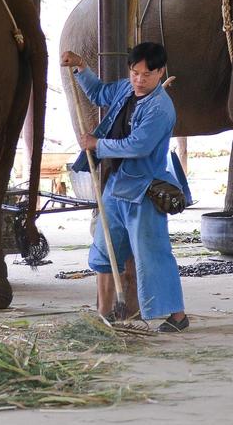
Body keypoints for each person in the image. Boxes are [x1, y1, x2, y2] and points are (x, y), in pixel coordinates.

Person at [62, 43, 190, 333]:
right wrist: (81, 67)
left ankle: (178, 316)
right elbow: (98, 93)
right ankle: (104, 315)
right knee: (104, 252)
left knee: (152, 254)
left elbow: (138, 146)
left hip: (143, 190)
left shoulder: (160, 109)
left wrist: (97, 144)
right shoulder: (124, 89)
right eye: (134, 73)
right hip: (116, 185)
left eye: (146, 74)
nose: (139, 80)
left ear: (160, 73)